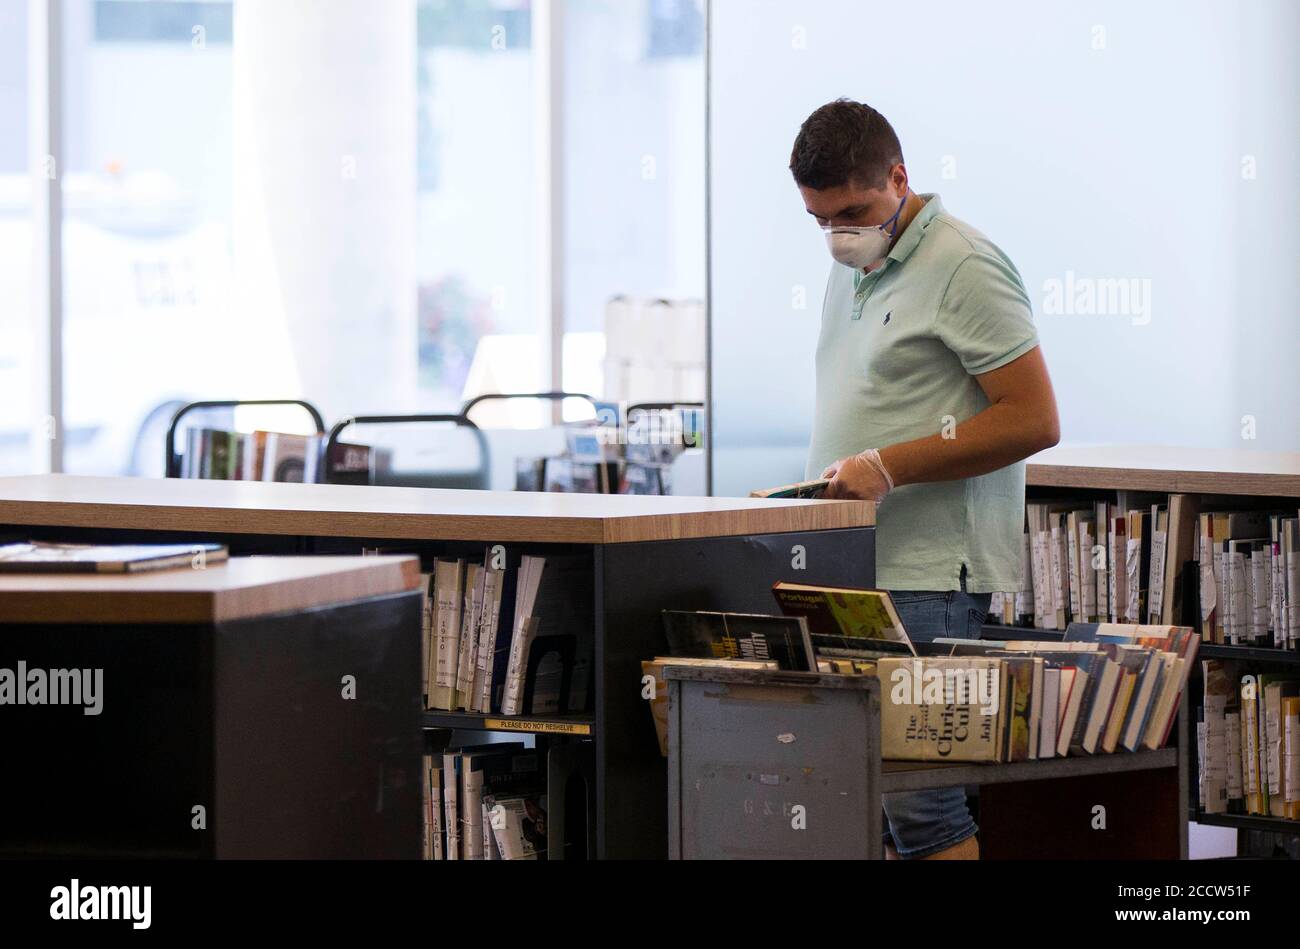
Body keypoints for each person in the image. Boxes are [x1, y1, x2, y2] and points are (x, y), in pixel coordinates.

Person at [790, 99, 1061, 860]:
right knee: (864, 801)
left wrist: (887, 467)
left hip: (929, 575)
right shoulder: (852, 268)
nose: (839, 232)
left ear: (899, 177)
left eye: (854, 209)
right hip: (855, 567)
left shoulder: (965, 265)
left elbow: (1035, 417)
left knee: (923, 807)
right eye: (820, 219)